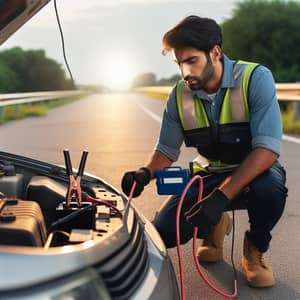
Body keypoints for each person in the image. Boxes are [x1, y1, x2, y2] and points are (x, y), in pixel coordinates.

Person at [121, 15, 288, 288]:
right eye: (179, 64)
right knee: (163, 231)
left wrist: (220, 197)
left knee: (270, 190)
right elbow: (165, 150)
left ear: (215, 53)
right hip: (208, 173)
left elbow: (267, 150)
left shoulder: (255, 79)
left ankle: (255, 250)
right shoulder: (178, 96)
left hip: (255, 171)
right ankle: (215, 227)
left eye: (191, 61)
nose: (185, 73)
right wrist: (144, 173)